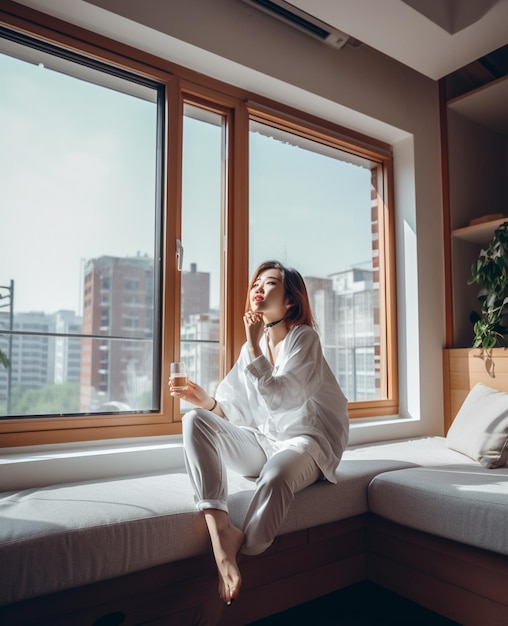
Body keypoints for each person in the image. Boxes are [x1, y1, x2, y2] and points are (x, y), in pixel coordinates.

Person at [169, 260, 349, 607]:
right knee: (194, 420)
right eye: (257, 283)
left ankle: (235, 560)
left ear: (290, 303)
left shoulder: (304, 339)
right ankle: (221, 533)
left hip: (308, 442)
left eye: (269, 284)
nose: (258, 289)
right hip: (265, 441)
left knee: (275, 477)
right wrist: (202, 399)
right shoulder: (253, 346)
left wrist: (253, 346)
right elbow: (232, 412)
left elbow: (282, 399)